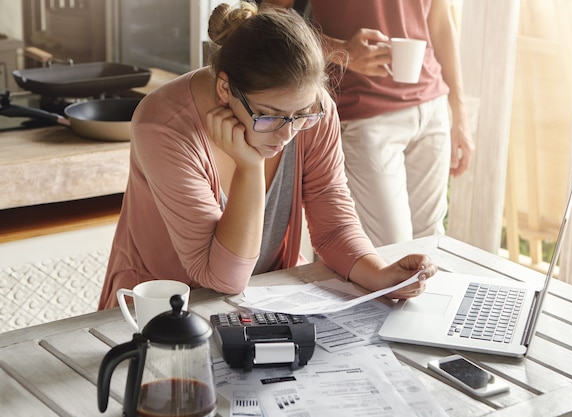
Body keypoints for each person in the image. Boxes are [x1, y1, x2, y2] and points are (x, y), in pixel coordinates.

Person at [98, 2, 437, 310]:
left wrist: (378, 274)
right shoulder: (164, 126)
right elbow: (220, 279)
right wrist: (250, 165)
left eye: (302, 113)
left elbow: (332, 223)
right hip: (158, 312)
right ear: (224, 89)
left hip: (263, 301)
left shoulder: (315, 113)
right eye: (270, 115)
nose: (288, 133)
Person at [266, 0, 475, 247]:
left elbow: (440, 18)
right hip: (365, 115)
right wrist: (341, 50)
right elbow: (272, 17)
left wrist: (458, 110)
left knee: (432, 241)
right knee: (391, 248)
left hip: (432, 108)